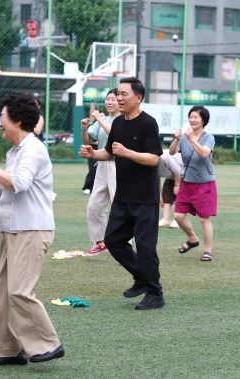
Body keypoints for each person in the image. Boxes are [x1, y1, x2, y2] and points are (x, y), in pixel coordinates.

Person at [0, 94, 64, 365]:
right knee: (3, 294)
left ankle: (47, 344)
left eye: (3, 118)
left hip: (32, 229)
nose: (0, 123)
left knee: (19, 290)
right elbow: (9, 192)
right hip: (14, 229)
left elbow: (18, 183)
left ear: (18, 120)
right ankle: (8, 350)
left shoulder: (33, 148)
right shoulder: (17, 151)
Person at [80, 77, 164, 310]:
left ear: (138, 98)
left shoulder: (148, 123)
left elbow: (153, 158)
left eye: (124, 94)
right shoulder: (117, 124)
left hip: (145, 196)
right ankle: (141, 277)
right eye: (118, 94)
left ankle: (155, 293)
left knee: (145, 246)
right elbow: (109, 152)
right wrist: (92, 154)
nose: (119, 98)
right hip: (123, 196)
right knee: (113, 240)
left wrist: (127, 152)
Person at [169, 106, 217, 262]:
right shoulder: (184, 137)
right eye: (190, 117)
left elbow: (203, 154)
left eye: (196, 117)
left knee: (204, 219)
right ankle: (192, 239)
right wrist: (176, 139)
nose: (192, 120)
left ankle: (207, 250)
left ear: (204, 120)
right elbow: (171, 152)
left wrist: (191, 140)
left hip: (204, 184)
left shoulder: (208, 138)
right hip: (187, 183)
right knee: (178, 216)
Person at [81, 88, 120, 256]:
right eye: (108, 99)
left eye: (113, 99)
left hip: (118, 166)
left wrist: (98, 119)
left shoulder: (123, 120)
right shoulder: (102, 120)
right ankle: (100, 242)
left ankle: (124, 245)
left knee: (119, 206)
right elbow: (88, 140)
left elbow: (116, 134)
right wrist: (85, 128)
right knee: (94, 206)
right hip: (102, 164)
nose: (109, 102)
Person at [157, 150, 182, 228]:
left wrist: (177, 185)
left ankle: (178, 220)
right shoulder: (149, 162)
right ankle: (166, 219)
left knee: (180, 197)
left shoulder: (165, 158)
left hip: (182, 174)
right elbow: (157, 181)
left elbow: (177, 171)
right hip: (170, 176)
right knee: (166, 195)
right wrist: (160, 197)